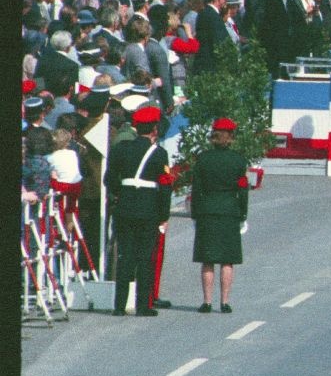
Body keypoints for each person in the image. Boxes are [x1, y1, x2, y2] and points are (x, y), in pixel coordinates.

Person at [104, 104, 174, 315]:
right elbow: (165, 187)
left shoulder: (121, 149)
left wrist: (120, 193)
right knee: (145, 258)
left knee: (125, 256)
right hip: (148, 210)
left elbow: (109, 179)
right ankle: (143, 305)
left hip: (125, 207)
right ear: (154, 128)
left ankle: (119, 305)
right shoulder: (159, 153)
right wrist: (163, 215)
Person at [191, 117, 250, 313]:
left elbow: (197, 188)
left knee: (207, 260)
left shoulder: (203, 159)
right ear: (231, 137)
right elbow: (242, 190)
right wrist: (243, 213)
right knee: (227, 259)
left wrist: (195, 214)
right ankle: (224, 302)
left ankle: (207, 301)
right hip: (229, 211)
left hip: (207, 210)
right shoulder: (238, 161)